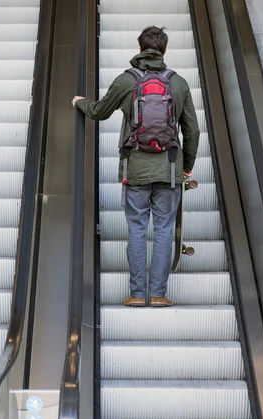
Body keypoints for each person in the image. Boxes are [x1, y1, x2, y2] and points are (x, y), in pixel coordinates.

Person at [73, 26, 200, 307]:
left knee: (137, 229)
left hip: (136, 169)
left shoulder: (127, 80)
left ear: (140, 48)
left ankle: (136, 294)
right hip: (169, 170)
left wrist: (79, 101)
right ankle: (158, 294)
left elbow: (98, 111)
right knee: (165, 230)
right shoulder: (178, 83)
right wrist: (186, 166)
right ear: (164, 50)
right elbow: (192, 131)